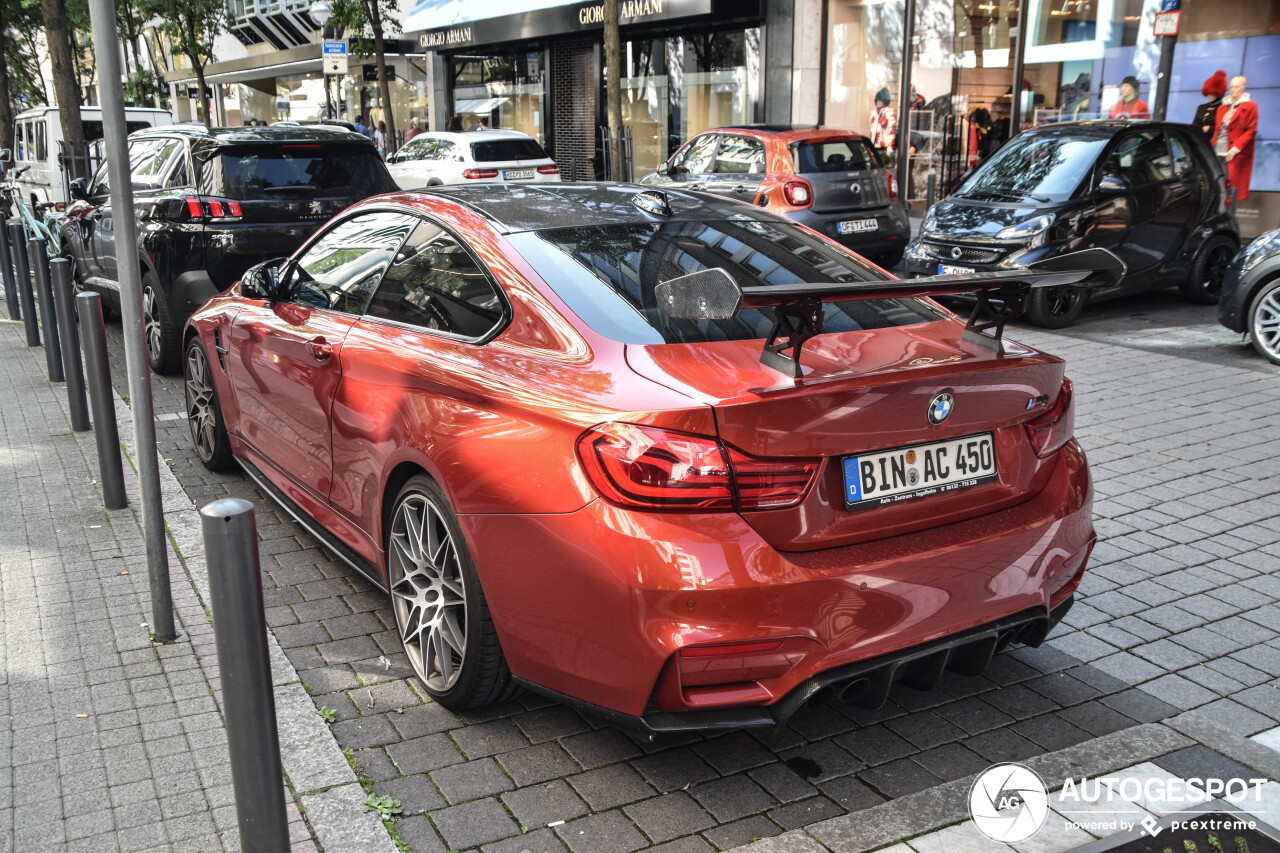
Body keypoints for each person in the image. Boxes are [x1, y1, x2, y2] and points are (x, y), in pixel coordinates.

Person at [1212, 75, 1258, 200]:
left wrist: (1235, 148)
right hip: (1218, 149)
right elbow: (1217, 130)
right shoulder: (1222, 107)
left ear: (1243, 87)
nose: (1233, 90)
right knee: (1216, 183)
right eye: (1231, 87)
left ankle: (1227, 215)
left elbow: (1251, 130)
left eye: (1237, 87)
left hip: (1235, 152)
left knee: (1231, 186)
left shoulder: (1250, 106)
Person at [1194, 71, 1228, 142]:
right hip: (1199, 142)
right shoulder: (1201, 107)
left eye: (1212, 93)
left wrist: (1210, 129)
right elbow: (1194, 126)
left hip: (1214, 144)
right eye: (1207, 93)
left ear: (1218, 93)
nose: (1209, 95)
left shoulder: (1223, 108)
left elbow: (1223, 129)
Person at [870, 88, 897, 157]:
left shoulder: (890, 114)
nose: (878, 103)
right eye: (878, 100)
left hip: (883, 147)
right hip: (873, 146)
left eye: (880, 101)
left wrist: (889, 151)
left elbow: (892, 134)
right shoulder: (873, 114)